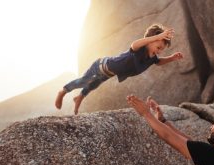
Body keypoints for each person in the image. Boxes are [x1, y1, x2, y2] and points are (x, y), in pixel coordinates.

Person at [55, 24, 183, 114]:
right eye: (158, 47)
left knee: (94, 85)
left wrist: (172, 58)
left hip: (108, 73)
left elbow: (159, 62)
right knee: (84, 81)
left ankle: (79, 98)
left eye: (162, 49)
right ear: (149, 41)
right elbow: (134, 44)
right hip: (101, 65)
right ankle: (63, 91)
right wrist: (156, 37)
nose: (159, 51)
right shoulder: (139, 49)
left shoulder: (152, 58)